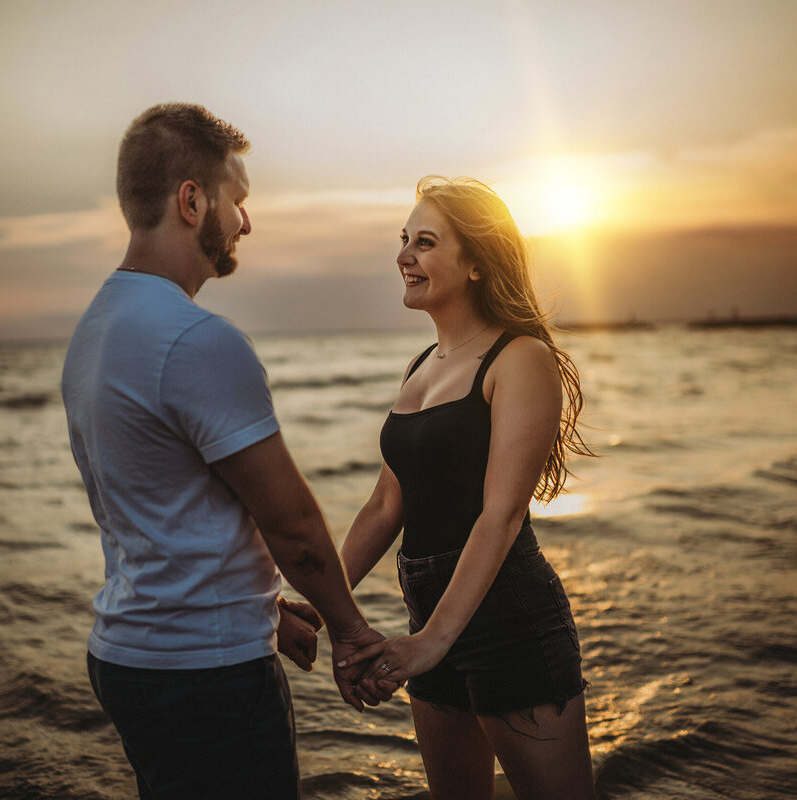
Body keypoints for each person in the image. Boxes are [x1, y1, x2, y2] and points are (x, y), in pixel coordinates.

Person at [61, 103, 389, 800]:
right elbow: (292, 524)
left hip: (130, 659)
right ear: (191, 201)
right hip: (204, 677)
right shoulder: (194, 339)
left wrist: (268, 612)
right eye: (238, 201)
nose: (246, 222)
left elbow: (161, 510)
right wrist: (351, 631)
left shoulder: (96, 329)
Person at [337, 177, 598, 799]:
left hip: (506, 616)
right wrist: (321, 603)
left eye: (425, 242)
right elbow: (384, 507)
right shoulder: (420, 366)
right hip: (430, 612)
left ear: (477, 263)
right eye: (404, 240)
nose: (405, 255)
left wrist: (432, 640)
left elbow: (502, 516)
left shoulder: (520, 358)